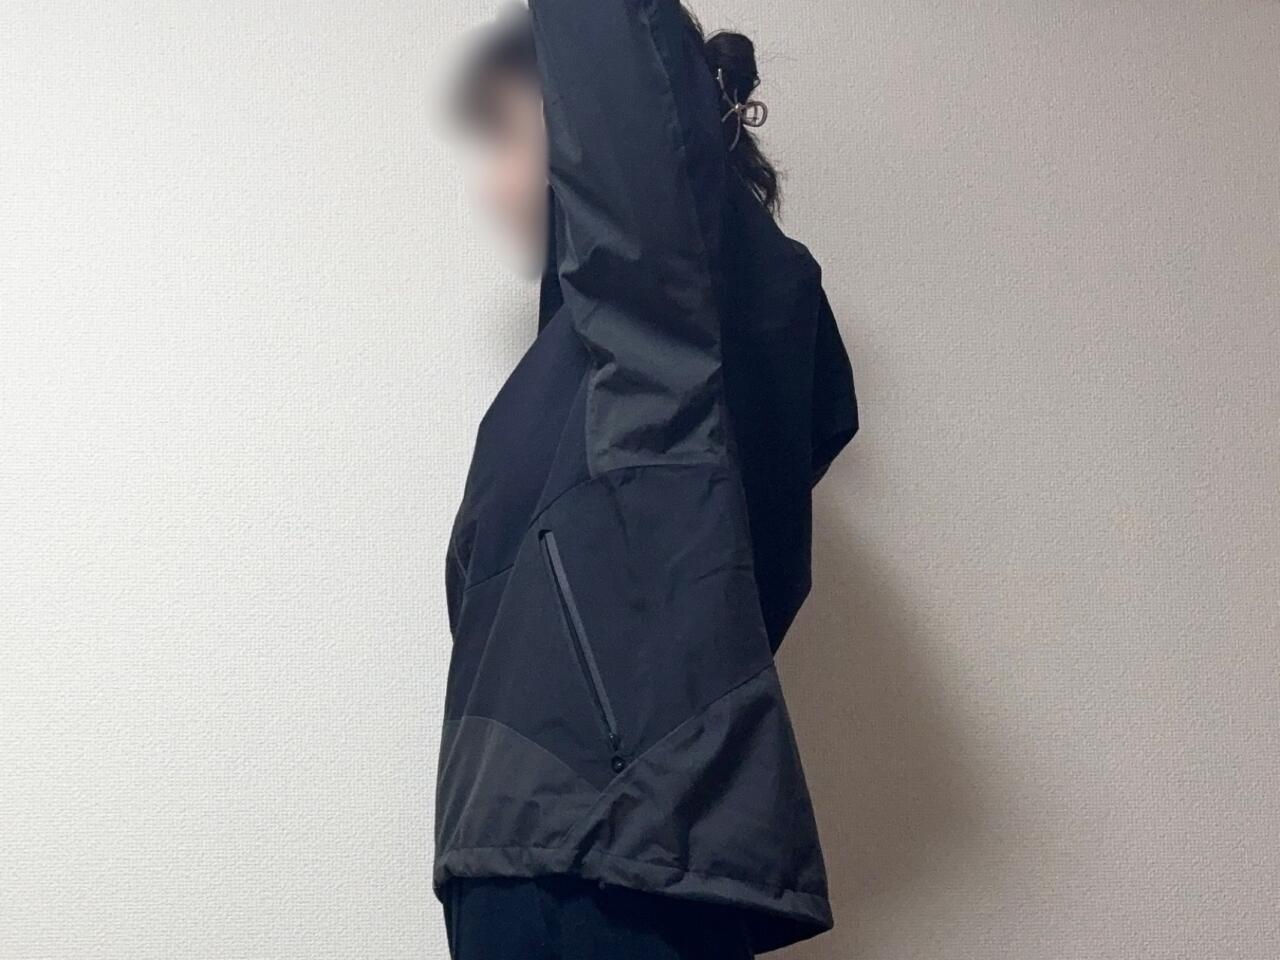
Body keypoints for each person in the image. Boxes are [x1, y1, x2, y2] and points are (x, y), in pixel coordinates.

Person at [436, 1, 859, 956]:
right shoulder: (604, 370)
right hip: (547, 853)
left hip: (604, 858)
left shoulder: (662, 325)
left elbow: (626, 109)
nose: (490, 177)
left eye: (509, 132)